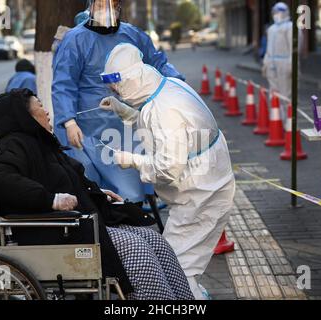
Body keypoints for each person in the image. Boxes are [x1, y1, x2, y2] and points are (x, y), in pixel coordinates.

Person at [0, 89, 194, 300]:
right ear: (25, 116)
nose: (47, 112)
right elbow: (0, 181)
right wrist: (51, 200)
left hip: (79, 225)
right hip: (57, 231)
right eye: (39, 106)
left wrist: (97, 194)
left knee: (155, 240)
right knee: (137, 250)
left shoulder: (43, 143)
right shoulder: (13, 145)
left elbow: (70, 180)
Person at [99, 43, 236, 300]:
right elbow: (147, 116)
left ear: (132, 80)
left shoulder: (165, 110)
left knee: (177, 270)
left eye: (117, 86)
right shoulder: (167, 88)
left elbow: (167, 168)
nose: (115, 90)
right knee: (178, 264)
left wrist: (132, 161)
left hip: (200, 196)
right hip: (201, 190)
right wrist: (121, 109)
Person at [52, 0, 185, 203]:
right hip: (85, 130)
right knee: (91, 188)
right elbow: (63, 84)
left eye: (110, 4)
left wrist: (177, 87)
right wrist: (69, 122)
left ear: (118, 7)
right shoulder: (75, 40)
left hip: (124, 127)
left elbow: (157, 63)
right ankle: (105, 230)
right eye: (100, 5)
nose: (105, 9)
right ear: (90, 7)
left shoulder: (132, 35)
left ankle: (127, 228)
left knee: (130, 191)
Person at [262, 2, 293, 100]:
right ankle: (275, 114)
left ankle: (285, 115)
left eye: (278, 12)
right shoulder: (271, 29)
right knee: (273, 93)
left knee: (285, 93)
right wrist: (265, 62)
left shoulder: (290, 27)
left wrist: (292, 63)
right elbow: (268, 48)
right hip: (271, 64)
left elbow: (294, 48)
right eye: (274, 12)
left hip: (284, 63)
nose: (276, 15)